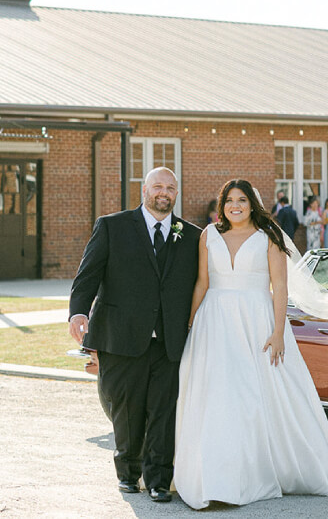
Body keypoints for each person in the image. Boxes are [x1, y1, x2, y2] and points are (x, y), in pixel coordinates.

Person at [173, 179, 328, 509]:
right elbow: (203, 282)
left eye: (242, 200)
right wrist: (191, 323)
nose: (236, 206)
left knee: (257, 393)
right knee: (216, 393)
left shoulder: (268, 237)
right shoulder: (208, 236)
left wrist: (278, 333)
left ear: (252, 204)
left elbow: (280, 287)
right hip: (213, 323)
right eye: (230, 200)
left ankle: (256, 472)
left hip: (257, 321)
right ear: (222, 205)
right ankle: (213, 475)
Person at [68, 167, 201, 503]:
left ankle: (158, 479)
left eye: (171, 188)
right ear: (144, 190)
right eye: (158, 186)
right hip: (121, 336)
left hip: (170, 340)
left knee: (163, 411)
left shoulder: (192, 235)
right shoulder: (112, 226)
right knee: (126, 410)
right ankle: (128, 473)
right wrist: (78, 312)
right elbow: (88, 275)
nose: (164, 193)